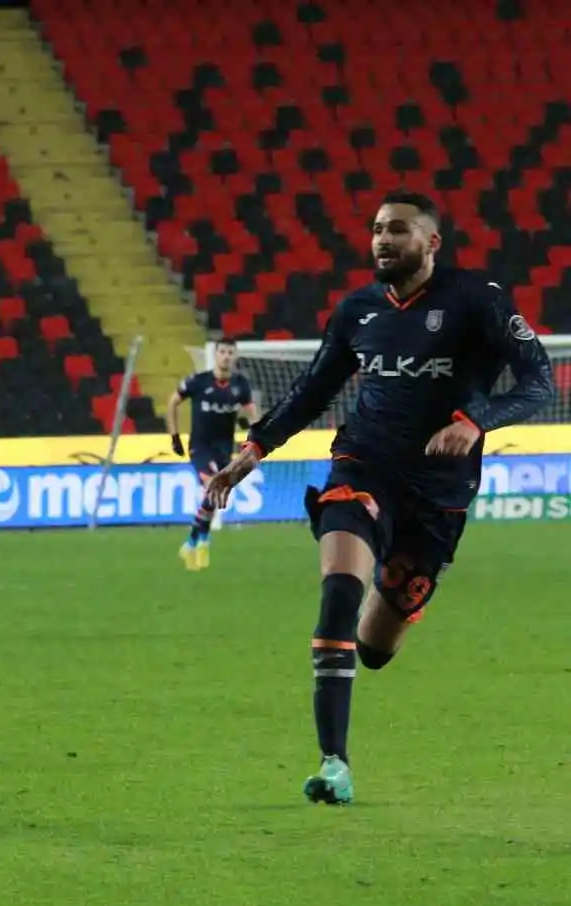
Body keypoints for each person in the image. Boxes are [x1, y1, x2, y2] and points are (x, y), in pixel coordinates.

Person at [204, 190, 551, 805]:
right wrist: (252, 452)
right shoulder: (358, 310)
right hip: (362, 466)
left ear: (431, 242)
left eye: (397, 230)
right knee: (339, 589)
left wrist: (476, 423)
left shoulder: (478, 301)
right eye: (375, 230)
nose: (382, 240)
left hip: (439, 496)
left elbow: (538, 381)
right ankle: (333, 762)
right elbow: (313, 390)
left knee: (375, 648)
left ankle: (382, 607)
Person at [166, 336, 257, 569]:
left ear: (235, 357)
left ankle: (190, 542)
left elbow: (252, 414)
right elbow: (173, 402)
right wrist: (174, 436)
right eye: (222, 352)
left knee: (215, 494)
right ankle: (203, 542)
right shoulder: (198, 382)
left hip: (224, 449)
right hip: (200, 446)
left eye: (230, 352)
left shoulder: (240, 386)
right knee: (211, 486)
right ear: (215, 355)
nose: (226, 356)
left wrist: (253, 434)